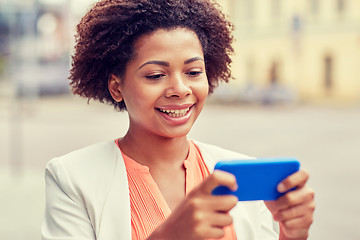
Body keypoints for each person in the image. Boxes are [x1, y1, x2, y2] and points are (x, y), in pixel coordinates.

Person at [42, 0, 315, 239]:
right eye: (155, 75)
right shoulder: (72, 178)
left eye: (193, 72)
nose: (180, 89)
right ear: (116, 87)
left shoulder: (241, 173)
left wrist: (291, 235)